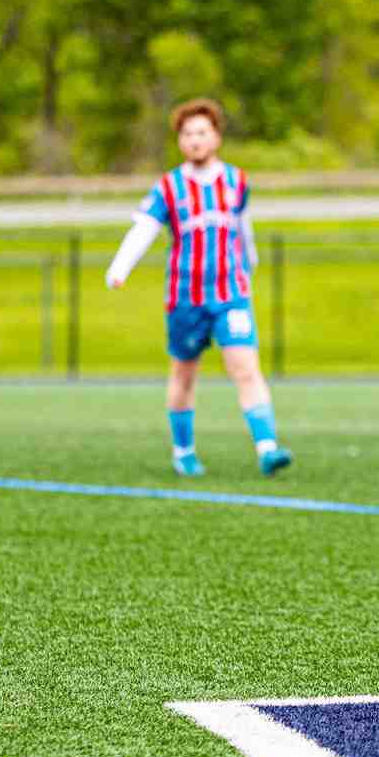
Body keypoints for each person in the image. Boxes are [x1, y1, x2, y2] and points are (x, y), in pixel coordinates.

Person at [106, 97, 292, 478]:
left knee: (245, 367)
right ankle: (184, 450)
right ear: (179, 140)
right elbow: (144, 228)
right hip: (186, 297)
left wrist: (250, 261)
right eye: (188, 133)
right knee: (184, 373)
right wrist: (120, 266)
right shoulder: (169, 187)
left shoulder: (236, 181)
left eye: (202, 132)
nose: (195, 139)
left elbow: (243, 227)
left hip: (231, 294)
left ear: (217, 137)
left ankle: (267, 446)